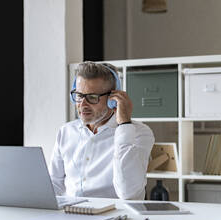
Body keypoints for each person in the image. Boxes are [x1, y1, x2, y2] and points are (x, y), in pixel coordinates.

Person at [48, 61, 155, 200]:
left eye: (92, 97)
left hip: (116, 217)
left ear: (113, 99)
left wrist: (124, 124)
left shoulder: (139, 133)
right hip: (72, 216)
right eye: (79, 95)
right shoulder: (66, 131)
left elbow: (128, 193)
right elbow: (54, 185)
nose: (82, 105)